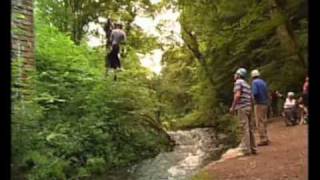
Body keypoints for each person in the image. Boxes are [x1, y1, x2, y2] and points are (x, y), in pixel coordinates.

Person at [230, 68, 257, 155]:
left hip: (242, 108)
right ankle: (253, 148)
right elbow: (252, 98)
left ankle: (246, 150)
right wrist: (251, 107)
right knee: (250, 128)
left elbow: (237, 95)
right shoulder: (247, 84)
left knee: (244, 128)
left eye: (235, 74)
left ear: (238, 75)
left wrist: (233, 107)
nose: (234, 75)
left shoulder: (238, 82)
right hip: (249, 107)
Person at [251, 69, 270, 146]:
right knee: (264, 120)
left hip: (259, 103)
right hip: (265, 103)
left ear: (252, 76)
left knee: (259, 122)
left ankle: (263, 139)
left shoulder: (254, 82)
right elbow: (267, 92)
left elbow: (255, 93)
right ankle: (266, 137)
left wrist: (252, 100)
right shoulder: (263, 82)